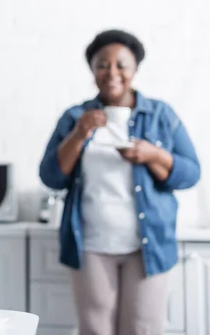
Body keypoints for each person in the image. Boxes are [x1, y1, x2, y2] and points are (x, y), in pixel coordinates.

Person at [38, 29, 200, 335]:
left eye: (121, 64)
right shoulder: (75, 117)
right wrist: (79, 133)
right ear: (92, 69)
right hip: (90, 245)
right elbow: (51, 177)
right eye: (102, 64)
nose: (112, 72)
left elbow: (191, 174)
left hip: (147, 245)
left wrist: (155, 155)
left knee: (142, 328)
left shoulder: (160, 115)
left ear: (135, 68)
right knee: (95, 328)